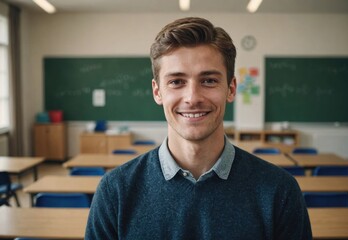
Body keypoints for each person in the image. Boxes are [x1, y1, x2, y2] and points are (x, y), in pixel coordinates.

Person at [85, 17, 312, 239]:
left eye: (209, 81)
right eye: (176, 82)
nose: (192, 98)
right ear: (157, 92)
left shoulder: (280, 191)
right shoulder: (115, 191)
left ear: (231, 89)